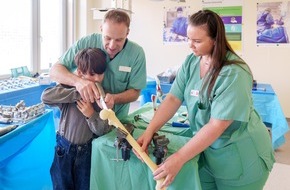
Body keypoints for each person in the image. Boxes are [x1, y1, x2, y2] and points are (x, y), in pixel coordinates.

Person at [137, 10, 275, 190]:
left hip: (240, 154)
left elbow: (217, 125)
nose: (190, 45)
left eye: (197, 41)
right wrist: (149, 131)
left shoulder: (234, 73)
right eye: (188, 39)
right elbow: (172, 98)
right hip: (208, 150)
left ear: (215, 39)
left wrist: (179, 158)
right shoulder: (192, 62)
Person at [49, 9, 147, 120]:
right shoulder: (86, 43)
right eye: (107, 38)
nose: (112, 46)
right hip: (82, 120)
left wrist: (114, 98)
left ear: (127, 33)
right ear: (101, 28)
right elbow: (54, 71)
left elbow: (135, 92)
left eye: (119, 40)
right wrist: (78, 82)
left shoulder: (136, 54)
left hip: (116, 119)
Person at [42, 48, 112, 190]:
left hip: (86, 153)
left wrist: (91, 114)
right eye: (92, 74)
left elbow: (103, 130)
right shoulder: (68, 89)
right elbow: (45, 97)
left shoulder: (101, 94)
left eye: (101, 74)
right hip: (64, 150)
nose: (97, 79)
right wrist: (78, 91)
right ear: (80, 73)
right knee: (61, 185)